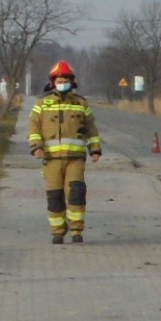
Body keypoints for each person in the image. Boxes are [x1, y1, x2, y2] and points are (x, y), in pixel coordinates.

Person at [27, 60, 102, 244]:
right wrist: (36, 147)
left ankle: (76, 230)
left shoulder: (81, 103)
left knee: (76, 193)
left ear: (72, 82)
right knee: (55, 196)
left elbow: (91, 128)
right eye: (59, 81)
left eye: (65, 81)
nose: (62, 84)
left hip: (75, 159)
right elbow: (33, 127)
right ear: (53, 82)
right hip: (51, 159)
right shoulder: (42, 104)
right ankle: (58, 232)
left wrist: (95, 149)